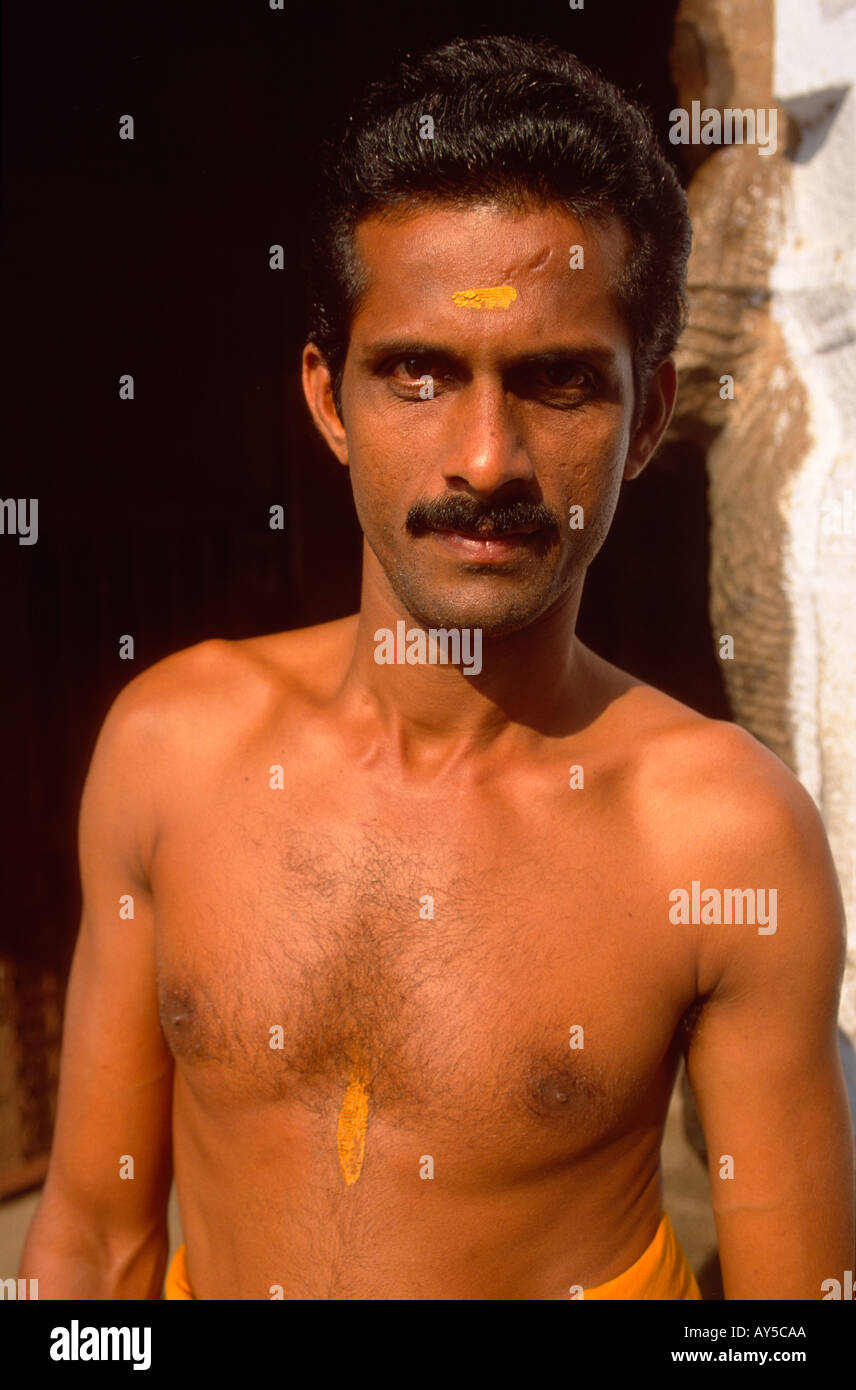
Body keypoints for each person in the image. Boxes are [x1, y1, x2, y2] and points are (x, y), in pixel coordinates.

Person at [20, 34, 854, 1300]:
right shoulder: (169, 749)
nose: (484, 459)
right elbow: (90, 1246)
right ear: (328, 399)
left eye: (559, 382)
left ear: (650, 420)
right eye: (418, 372)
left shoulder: (723, 839)